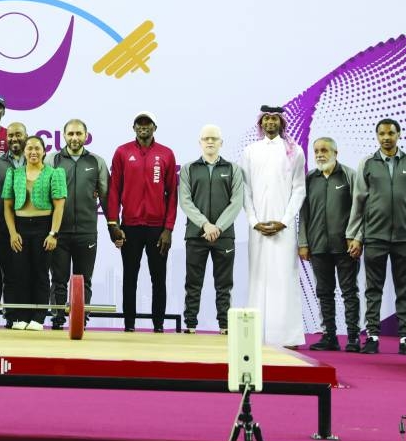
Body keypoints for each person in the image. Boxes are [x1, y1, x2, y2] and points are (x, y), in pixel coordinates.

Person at [346, 119, 406, 355]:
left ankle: (405, 338)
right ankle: (372, 336)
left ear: (398, 134)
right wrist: (355, 236)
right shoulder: (367, 164)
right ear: (377, 136)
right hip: (374, 236)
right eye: (382, 133)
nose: (386, 137)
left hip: (405, 238)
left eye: (390, 133)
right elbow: (359, 204)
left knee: (405, 290)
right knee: (373, 289)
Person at [242, 105, 307, 348]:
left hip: (284, 227)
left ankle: (287, 337)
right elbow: (245, 190)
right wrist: (253, 221)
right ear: (261, 123)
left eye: (274, 119)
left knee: (285, 278)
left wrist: (285, 220)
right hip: (257, 227)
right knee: (258, 279)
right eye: (266, 119)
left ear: (281, 123)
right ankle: (256, 336)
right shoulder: (250, 151)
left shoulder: (294, 151)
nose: (270, 123)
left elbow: (299, 189)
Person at [107, 111, 178, 332]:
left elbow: (172, 195)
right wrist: (113, 223)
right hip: (130, 227)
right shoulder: (122, 152)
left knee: (159, 278)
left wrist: (168, 228)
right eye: (139, 123)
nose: (143, 127)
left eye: (148, 123)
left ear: (155, 127)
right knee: (130, 278)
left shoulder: (166, 154)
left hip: (157, 229)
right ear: (134, 127)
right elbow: (114, 190)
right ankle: (129, 325)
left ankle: (158, 326)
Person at [178, 124, 243, 334]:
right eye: (206, 138)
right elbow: (185, 201)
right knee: (193, 283)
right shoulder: (188, 169)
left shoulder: (233, 169)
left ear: (221, 143)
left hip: (224, 236)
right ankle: (190, 324)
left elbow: (237, 202)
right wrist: (205, 224)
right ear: (200, 142)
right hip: (196, 235)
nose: (210, 141)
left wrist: (219, 227)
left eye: (214, 138)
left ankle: (224, 325)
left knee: (224, 284)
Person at [44, 119, 109, 330]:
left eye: (78, 134)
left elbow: (107, 197)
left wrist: (113, 224)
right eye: (70, 134)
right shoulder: (52, 160)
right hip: (59, 232)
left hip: (86, 231)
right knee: (59, 278)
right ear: (63, 136)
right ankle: (57, 316)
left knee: (84, 279)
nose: (74, 138)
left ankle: (82, 317)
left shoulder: (97, 162)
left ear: (86, 135)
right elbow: (44, 193)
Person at [299, 137, 361, 352]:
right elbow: (304, 213)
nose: (319, 154)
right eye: (316, 150)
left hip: (345, 246)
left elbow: (359, 210)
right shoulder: (309, 178)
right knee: (324, 292)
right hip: (317, 247)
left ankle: (353, 337)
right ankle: (329, 337)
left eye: (324, 150)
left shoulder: (349, 175)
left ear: (336, 152)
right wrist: (303, 242)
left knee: (349, 292)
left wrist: (357, 238)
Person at [2, 135, 66, 330]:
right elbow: (7, 206)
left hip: (43, 227)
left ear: (44, 151)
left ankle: (38, 317)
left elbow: (59, 206)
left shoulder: (54, 173)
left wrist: (53, 233)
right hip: (20, 227)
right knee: (20, 273)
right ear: (24, 151)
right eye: (29, 148)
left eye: (37, 148)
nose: (33, 152)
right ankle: (22, 316)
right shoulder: (14, 173)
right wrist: (13, 233)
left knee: (40, 273)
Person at [0, 122, 28, 328]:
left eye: (18, 135)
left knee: (22, 270)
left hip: (28, 225)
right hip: (1, 227)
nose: (14, 139)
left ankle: (19, 313)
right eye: (11, 136)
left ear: (26, 136)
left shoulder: (35, 160)